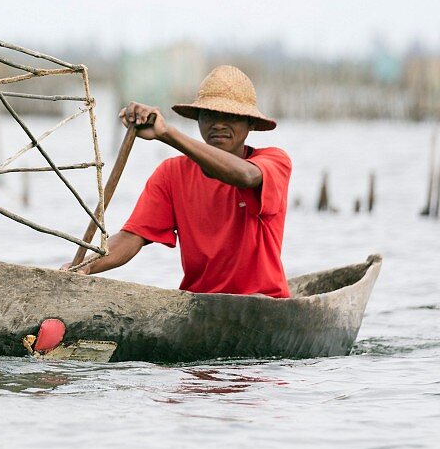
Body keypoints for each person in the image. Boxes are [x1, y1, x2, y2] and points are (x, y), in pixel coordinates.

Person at [63, 65, 292, 298]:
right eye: (210, 115)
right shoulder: (172, 173)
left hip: (263, 302)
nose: (219, 124)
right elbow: (132, 237)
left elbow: (245, 176)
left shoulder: (274, 161)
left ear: (250, 124)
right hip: (201, 303)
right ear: (199, 120)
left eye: (231, 117)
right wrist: (85, 265)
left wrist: (166, 134)